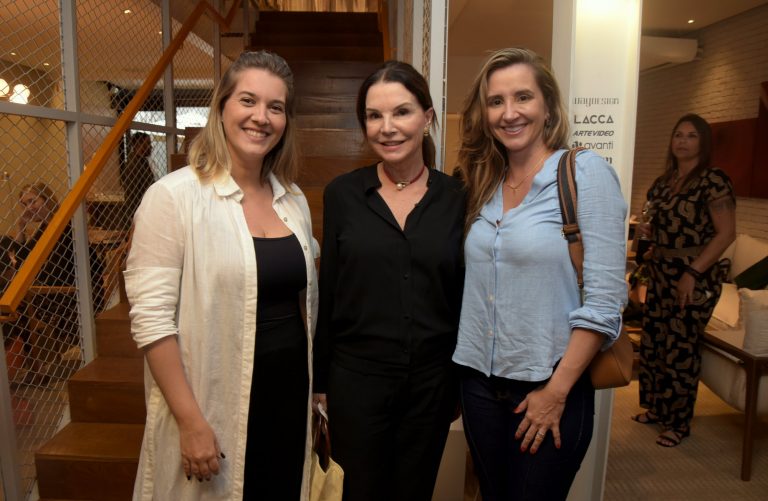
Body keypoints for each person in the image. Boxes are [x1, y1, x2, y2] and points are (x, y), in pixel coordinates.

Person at [124, 50, 318, 500]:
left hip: (287, 398)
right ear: (222, 107)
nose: (261, 117)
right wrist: (191, 422)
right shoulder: (173, 198)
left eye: (276, 107)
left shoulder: (293, 199)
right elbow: (152, 322)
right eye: (248, 101)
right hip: (215, 397)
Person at [452, 47, 627, 500]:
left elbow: (606, 302)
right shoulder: (482, 183)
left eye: (523, 97)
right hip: (478, 385)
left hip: (551, 385)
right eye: (496, 101)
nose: (509, 113)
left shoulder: (584, 173)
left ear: (547, 105)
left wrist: (557, 391)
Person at [312, 60, 465, 501]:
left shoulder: (456, 198)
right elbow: (332, 288)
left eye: (401, 112)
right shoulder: (343, 193)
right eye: (374, 116)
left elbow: (459, 294)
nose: (387, 127)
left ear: (428, 117)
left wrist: (457, 381)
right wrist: (320, 381)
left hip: (431, 384)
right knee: (357, 493)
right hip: (356, 380)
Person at [632, 113, 735, 447]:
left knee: (681, 348)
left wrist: (693, 273)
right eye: (678, 134)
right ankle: (656, 408)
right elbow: (653, 224)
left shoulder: (713, 181)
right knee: (655, 342)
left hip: (695, 274)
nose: (682, 141)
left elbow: (726, 234)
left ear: (702, 142)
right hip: (660, 271)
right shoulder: (663, 182)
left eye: (691, 136)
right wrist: (648, 233)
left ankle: (678, 422)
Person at [120, 131, 156, 226]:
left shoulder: (142, 161)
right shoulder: (134, 165)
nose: (151, 147)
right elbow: (132, 194)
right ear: (138, 144)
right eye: (147, 143)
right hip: (139, 212)